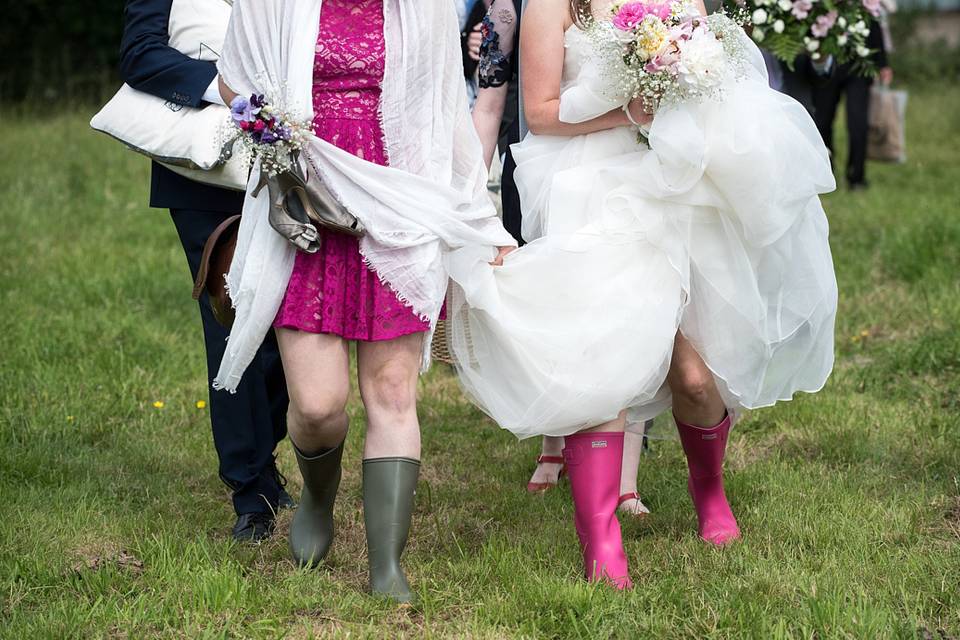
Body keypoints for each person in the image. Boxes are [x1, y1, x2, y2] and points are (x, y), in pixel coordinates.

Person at [444, 0, 838, 589]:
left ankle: (709, 489)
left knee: (697, 379)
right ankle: (603, 542)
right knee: (606, 362)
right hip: (589, 179)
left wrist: (682, 86)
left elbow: (709, 78)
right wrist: (626, 110)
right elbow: (542, 112)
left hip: (674, 175)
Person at [214, 0, 517, 604]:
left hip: (397, 207)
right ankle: (318, 498)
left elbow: (442, 114)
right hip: (308, 208)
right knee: (319, 404)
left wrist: (476, 217)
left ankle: (387, 567)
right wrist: (271, 140)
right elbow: (234, 83)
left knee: (394, 393)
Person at [118, 0, 292, 544]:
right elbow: (140, 55)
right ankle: (249, 489)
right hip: (200, 172)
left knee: (288, 325)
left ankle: (264, 451)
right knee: (230, 318)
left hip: (290, 161)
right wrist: (222, 87)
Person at [471, 0, 654, 516]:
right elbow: (503, 93)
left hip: (629, 164)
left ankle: (625, 477)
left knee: (632, 310)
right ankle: (555, 439)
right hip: (547, 163)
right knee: (562, 306)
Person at [812, 19, 892, 190]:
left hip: (859, 65)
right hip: (827, 62)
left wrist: (883, 63)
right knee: (822, 122)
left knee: (858, 124)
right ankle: (827, 171)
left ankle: (857, 177)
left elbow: (873, 20)